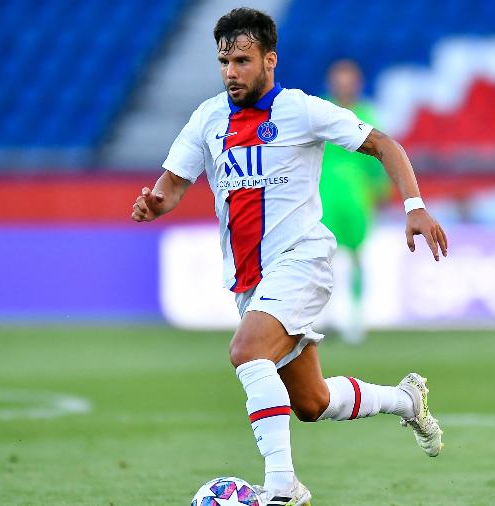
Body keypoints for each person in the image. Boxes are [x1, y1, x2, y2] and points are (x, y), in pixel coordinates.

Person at [130, 8, 448, 506]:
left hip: (302, 260)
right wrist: (155, 204)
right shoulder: (208, 118)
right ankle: (406, 399)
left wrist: (415, 206)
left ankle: (282, 487)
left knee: (246, 352)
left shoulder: (301, 110)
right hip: (249, 280)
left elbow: (383, 143)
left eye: (241, 60)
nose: (230, 71)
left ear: (269, 60)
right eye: (223, 61)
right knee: (312, 401)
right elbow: (171, 186)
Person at [318, 59, 391, 344]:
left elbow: (380, 159)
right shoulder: (321, 111)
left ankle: (356, 317)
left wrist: (379, 192)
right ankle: (323, 315)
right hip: (324, 197)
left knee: (358, 255)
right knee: (321, 258)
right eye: (339, 80)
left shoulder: (367, 115)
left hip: (358, 199)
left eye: (348, 81)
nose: (343, 86)